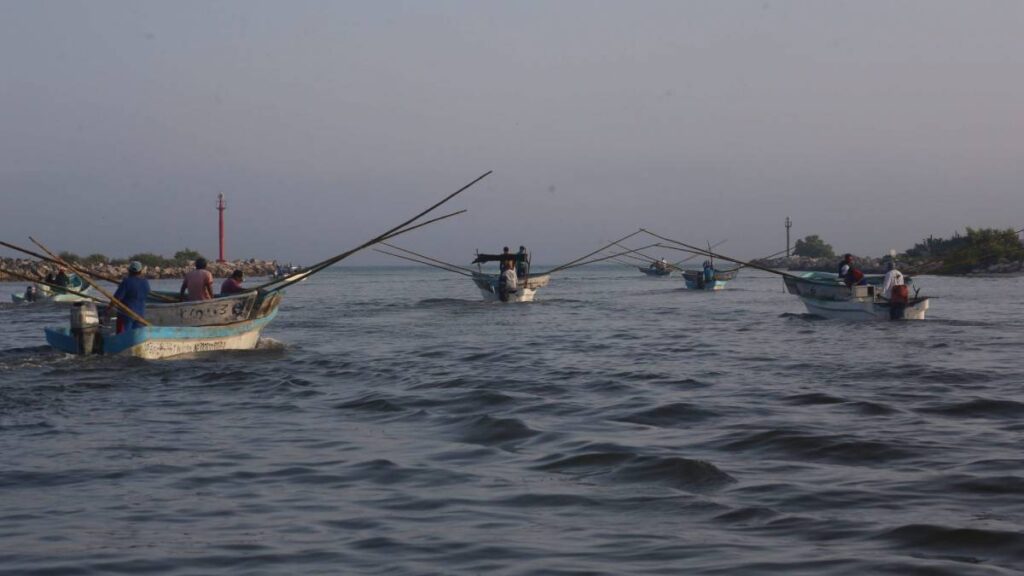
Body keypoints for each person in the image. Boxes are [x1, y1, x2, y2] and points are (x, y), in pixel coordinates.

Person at [112, 260, 151, 333]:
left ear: (129, 271)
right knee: (137, 334)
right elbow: (146, 293)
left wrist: (108, 310)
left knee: (124, 334)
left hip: (126, 315)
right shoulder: (145, 282)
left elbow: (116, 298)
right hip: (140, 314)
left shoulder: (126, 281)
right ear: (141, 271)